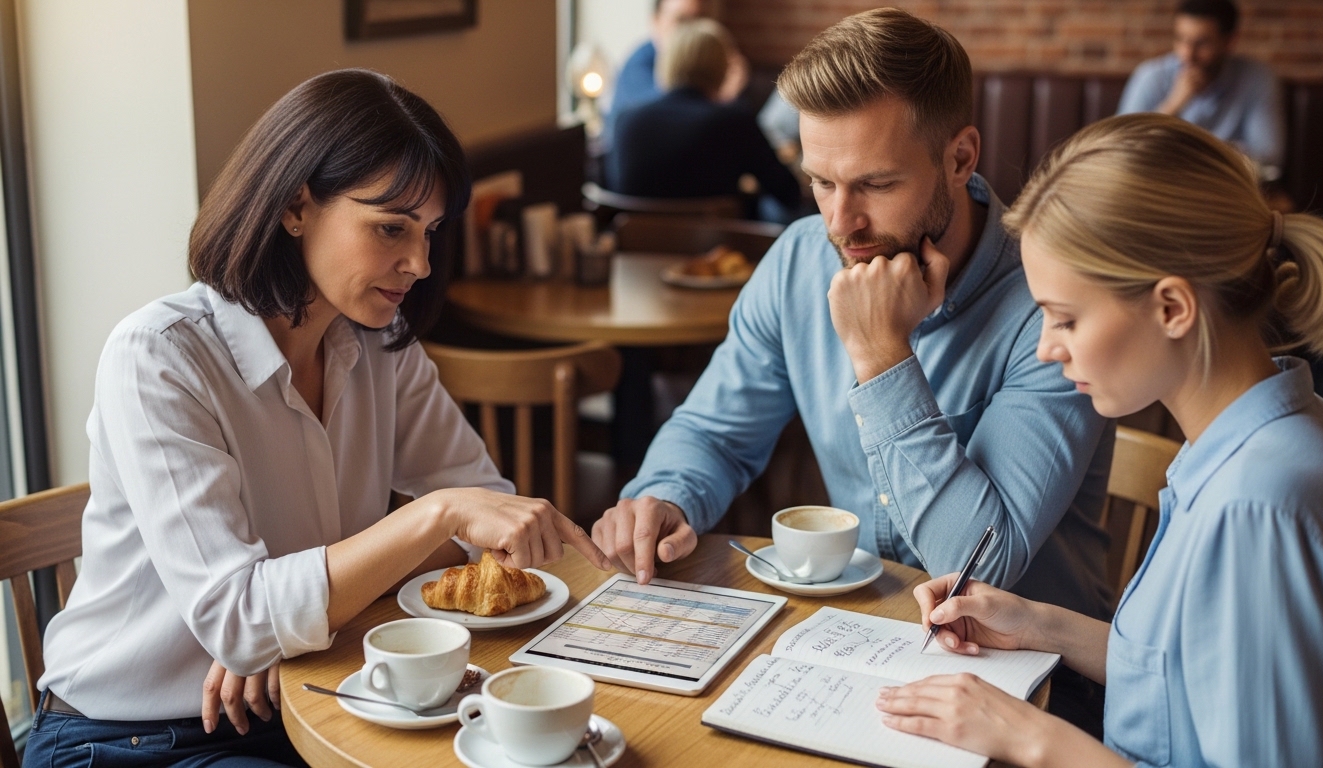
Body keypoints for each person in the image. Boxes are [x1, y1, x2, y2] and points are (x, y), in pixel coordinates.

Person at [25, 69, 611, 768]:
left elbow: (493, 523)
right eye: (390, 227)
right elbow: (244, 619)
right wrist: (432, 517)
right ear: (294, 207)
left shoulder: (382, 349)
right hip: (129, 738)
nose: (420, 263)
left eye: (429, 232)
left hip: (309, 696)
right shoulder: (159, 357)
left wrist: (285, 623)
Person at [593, 8, 1114, 734]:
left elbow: (976, 572)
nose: (841, 223)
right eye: (820, 182)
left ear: (960, 158)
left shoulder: (1052, 306)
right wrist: (667, 496)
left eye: (875, 183)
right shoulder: (800, 260)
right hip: (864, 654)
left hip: (1043, 695)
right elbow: (715, 433)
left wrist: (881, 356)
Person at [875, 113, 1323, 767]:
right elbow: (1195, 675)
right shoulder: (1287, 427)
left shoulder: (1256, 503)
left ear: (1173, 308)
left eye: (1065, 319)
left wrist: (1028, 737)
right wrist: (1038, 624)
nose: (1046, 349)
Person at [604, 19, 800, 213]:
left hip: (633, 233)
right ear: (722, 68)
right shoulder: (734, 122)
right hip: (718, 234)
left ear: (666, 63)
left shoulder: (626, 119)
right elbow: (789, 193)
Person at [1117, 0, 1283, 172]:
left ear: (1229, 42)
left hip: (1226, 185)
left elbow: (1269, 157)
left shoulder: (1256, 78)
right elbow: (1120, 146)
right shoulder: (1151, 76)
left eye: (1202, 43)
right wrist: (1174, 104)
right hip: (1161, 182)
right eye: (1180, 38)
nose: (1187, 54)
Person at [610, 0, 745, 119]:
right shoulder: (638, 68)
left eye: (700, 19)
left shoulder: (708, 64)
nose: (692, 32)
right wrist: (723, 96)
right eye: (681, 20)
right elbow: (671, 118)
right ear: (656, 22)